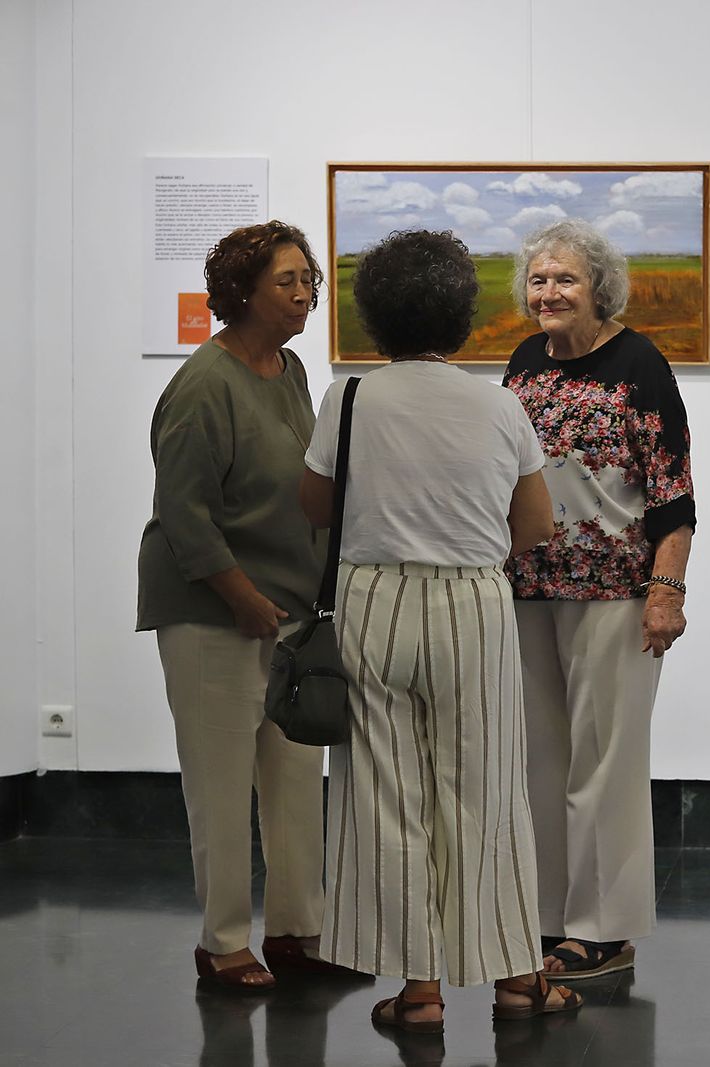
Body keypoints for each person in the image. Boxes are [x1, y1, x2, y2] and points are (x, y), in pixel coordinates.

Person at [299, 229, 577, 1032]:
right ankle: (516, 979)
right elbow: (534, 524)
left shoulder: (348, 398)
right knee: (486, 789)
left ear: (373, 314)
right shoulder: (499, 404)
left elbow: (314, 507)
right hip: (472, 604)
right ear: (463, 313)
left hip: (371, 601)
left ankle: (419, 991)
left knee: (387, 794)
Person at [137, 219, 359, 991]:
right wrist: (241, 595)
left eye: (310, 280)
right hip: (211, 613)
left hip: (287, 611)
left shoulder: (291, 372)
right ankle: (223, 942)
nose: (304, 295)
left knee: (297, 779)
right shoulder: (203, 383)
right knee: (222, 786)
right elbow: (184, 511)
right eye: (287, 281)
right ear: (241, 292)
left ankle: (300, 930)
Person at [502, 219, 695, 981]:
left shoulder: (639, 364)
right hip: (527, 589)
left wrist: (666, 590)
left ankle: (604, 928)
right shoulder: (522, 362)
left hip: (616, 593)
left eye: (565, 279)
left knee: (606, 764)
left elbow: (673, 496)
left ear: (599, 288)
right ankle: (551, 918)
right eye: (539, 279)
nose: (547, 292)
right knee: (541, 760)